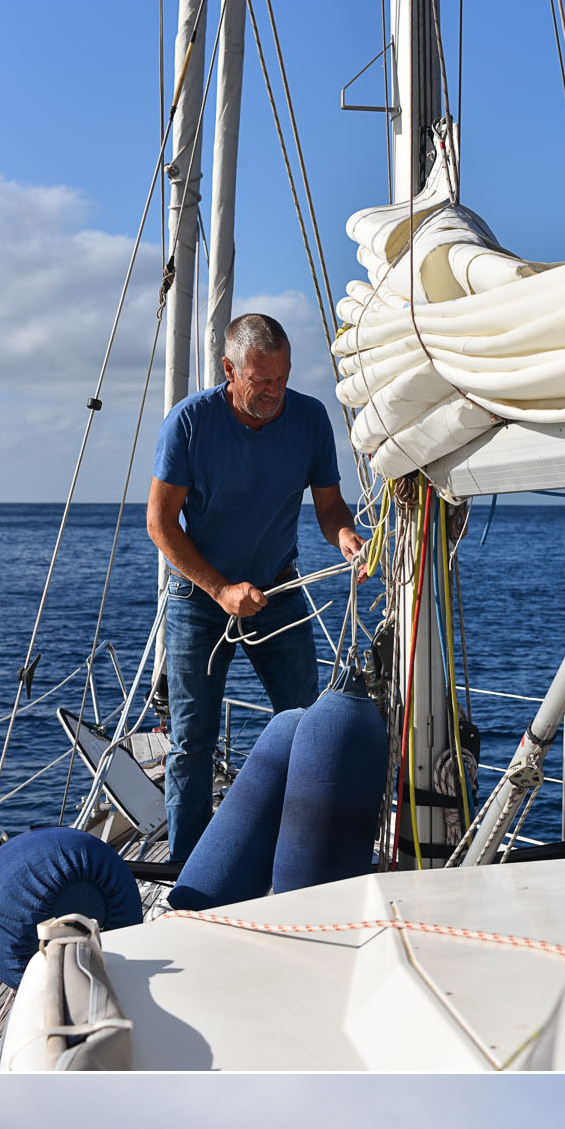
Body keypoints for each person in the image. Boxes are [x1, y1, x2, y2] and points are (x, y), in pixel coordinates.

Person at [144, 313, 366, 859]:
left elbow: (330, 504)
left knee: (306, 727)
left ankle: (299, 856)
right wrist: (220, 590)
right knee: (192, 741)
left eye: (282, 378)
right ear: (228, 369)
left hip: (279, 592)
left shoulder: (310, 419)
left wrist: (346, 537)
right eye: (261, 380)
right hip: (199, 601)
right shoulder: (189, 423)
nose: (274, 392)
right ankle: (188, 869)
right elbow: (161, 524)